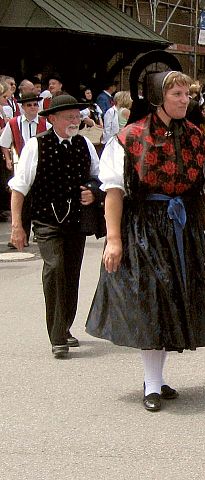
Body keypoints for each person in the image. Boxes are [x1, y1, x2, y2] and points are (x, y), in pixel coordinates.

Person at [85, 70, 205, 411]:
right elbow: (114, 192)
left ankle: (155, 378)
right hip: (143, 228)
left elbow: (204, 191)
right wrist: (113, 239)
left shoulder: (195, 136)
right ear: (159, 97)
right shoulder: (131, 137)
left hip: (182, 228)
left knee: (172, 300)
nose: (184, 100)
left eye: (186, 94)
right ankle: (152, 383)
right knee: (151, 301)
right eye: (176, 95)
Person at [8, 94, 100, 358]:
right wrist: (17, 226)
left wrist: (94, 192)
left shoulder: (85, 144)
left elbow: (100, 178)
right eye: (69, 116)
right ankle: (57, 336)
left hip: (76, 222)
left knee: (71, 274)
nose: (75, 120)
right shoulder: (36, 146)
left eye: (77, 115)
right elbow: (19, 188)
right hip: (46, 221)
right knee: (55, 269)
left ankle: (65, 327)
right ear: (53, 119)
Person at [0, 92, 49, 246]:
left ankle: (39, 232)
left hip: (40, 166)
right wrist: (8, 159)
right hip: (21, 166)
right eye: (29, 105)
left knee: (40, 200)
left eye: (35, 104)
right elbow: (4, 143)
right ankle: (23, 234)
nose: (33, 107)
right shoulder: (14, 123)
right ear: (22, 107)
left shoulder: (45, 123)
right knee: (23, 201)